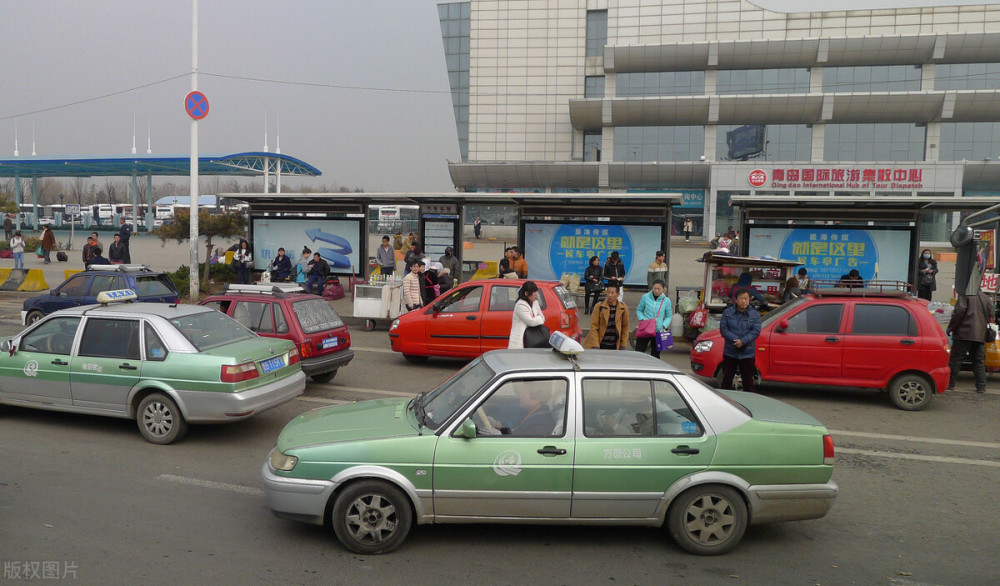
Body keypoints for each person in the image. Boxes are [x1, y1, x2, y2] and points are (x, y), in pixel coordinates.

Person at [948, 290, 994, 394]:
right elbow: (991, 315)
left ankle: (950, 384)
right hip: (980, 335)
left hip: (963, 333)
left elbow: (959, 312)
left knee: (956, 360)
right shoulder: (986, 298)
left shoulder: (965, 294)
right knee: (978, 362)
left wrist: (951, 327)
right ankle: (981, 387)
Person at [720, 288, 762, 393]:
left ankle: (749, 403)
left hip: (747, 353)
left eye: (746, 299)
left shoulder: (755, 314)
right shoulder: (728, 313)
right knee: (726, 380)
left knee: (748, 381)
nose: (744, 301)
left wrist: (742, 341)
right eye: (741, 299)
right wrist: (736, 340)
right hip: (730, 351)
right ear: (736, 300)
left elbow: (755, 331)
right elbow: (724, 330)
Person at [583, 284, 629, 350]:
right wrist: (596, 345)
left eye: (612, 293)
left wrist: (623, 345)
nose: (610, 295)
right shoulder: (599, 306)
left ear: (618, 294)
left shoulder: (623, 308)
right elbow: (594, 326)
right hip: (600, 344)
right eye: (608, 292)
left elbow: (625, 328)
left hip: (615, 345)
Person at [635, 279, 672, 358]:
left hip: (658, 330)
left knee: (655, 355)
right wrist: (643, 319)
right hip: (646, 328)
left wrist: (663, 325)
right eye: (655, 288)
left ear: (663, 289)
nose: (656, 290)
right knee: (639, 351)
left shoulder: (666, 301)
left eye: (659, 289)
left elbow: (668, 316)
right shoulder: (645, 297)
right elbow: (639, 310)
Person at [509, 280, 545, 349]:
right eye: (534, 292)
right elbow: (530, 322)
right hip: (520, 341)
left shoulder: (535, 303)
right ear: (526, 293)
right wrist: (539, 318)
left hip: (531, 339)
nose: (536, 294)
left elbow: (543, 318)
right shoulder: (520, 305)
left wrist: (539, 319)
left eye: (536, 291)